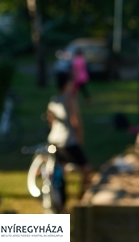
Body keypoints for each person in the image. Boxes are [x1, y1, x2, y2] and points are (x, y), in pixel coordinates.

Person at [46, 73, 92, 203]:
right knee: (86, 169)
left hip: (55, 140)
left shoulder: (54, 99)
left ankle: (60, 200)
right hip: (68, 141)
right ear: (67, 84)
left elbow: (51, 120)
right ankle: (82, 198)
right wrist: (80, 137)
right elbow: (75, 121)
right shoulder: (70, 99)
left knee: (60, 172)